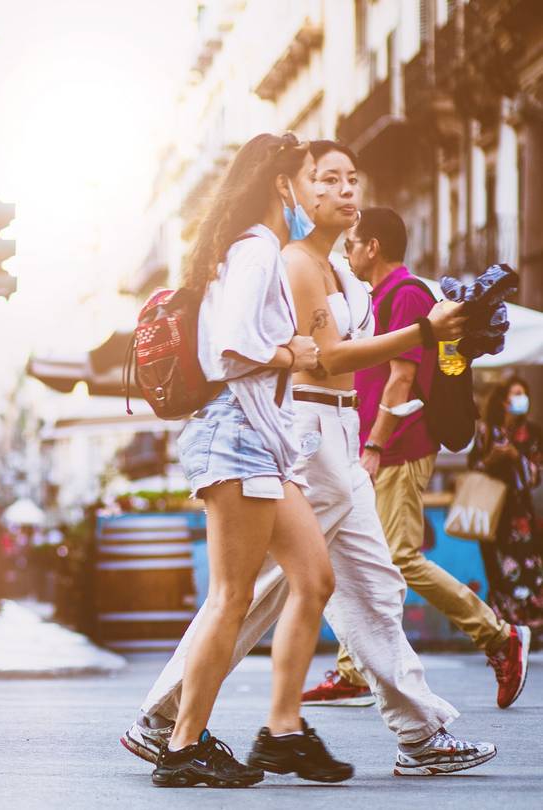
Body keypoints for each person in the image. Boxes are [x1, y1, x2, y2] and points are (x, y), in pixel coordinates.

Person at [124, 141, 496, 778]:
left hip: (304, 435)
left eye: (353, 177)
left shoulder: (339, 270)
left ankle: (369, 731)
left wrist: (448, 335)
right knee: (251, 592)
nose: (346, 190)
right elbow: (290, 351)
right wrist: (298, 352)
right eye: (325, 178)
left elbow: (340, 344)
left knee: (338, 583)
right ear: (290, 187)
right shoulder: (275, 255)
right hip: (296, 428)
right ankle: (175, 729)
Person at [146, 132, 350, 789]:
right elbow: (231, 348)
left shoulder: (250, 250)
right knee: (231, 597)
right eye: (311, 179)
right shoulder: (258, 250)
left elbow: (241, 339)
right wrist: (296, 353)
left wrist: (289, 349)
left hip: (261, 440)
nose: (317, 193)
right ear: (280, 185)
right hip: (237, 437)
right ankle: (182, 747)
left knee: (314, 577)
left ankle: (282, 732)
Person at [333, 207, 529, 710]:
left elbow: (402, 377)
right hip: (381, 446)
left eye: (352, 243)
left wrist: (375, 446)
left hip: (400, 446)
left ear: (373, 246)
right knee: (356, 555)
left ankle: (498, 636)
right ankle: (352, 670)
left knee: (398, 557)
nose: (347, 251)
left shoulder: (408, 296)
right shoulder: (381, 297)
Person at [469, 376, 543, 640]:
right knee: (497, 570)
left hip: (521, 515)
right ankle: (504, 631)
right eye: (517, 393)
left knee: (527, 568)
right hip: (492, 514)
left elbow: (535, 475)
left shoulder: (532, 433)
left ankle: (527, 629)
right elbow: (473, 469)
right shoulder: (487, 431)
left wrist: (515, 458)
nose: (522, 398)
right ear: (503, 400)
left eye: (524, 393)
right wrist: (492, 459)